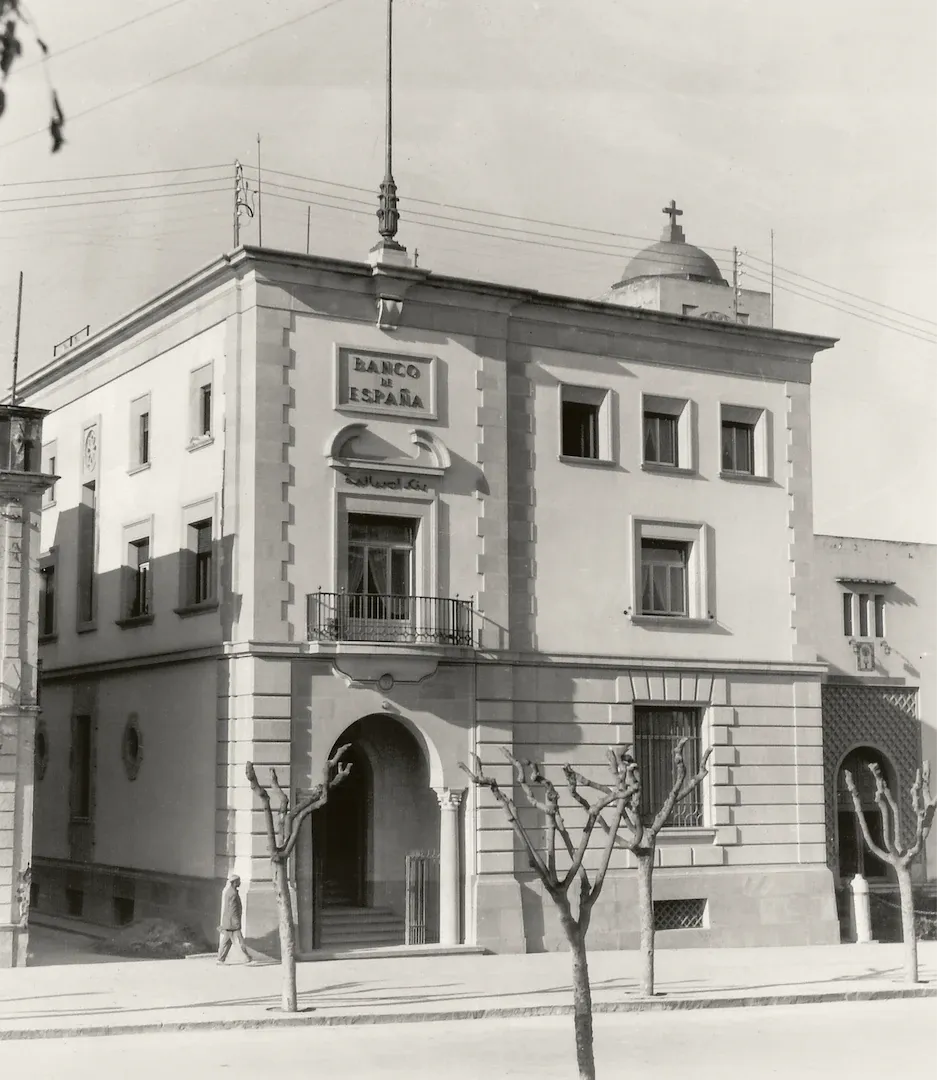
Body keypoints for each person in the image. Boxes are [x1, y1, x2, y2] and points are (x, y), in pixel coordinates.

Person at [217, 872, 253, 964]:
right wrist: (236, 923)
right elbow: (232, 909)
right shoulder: (232, 893)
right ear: (234, 882)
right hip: (233, 923)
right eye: (238, 881)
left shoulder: (230, 892)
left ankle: (220, 959)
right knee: (240, 941)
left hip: (229, 922)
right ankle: (247, 958)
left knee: (227, 942)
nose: (240, 883)